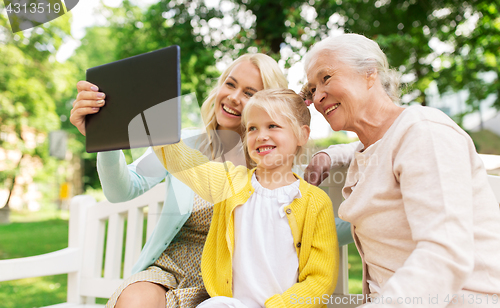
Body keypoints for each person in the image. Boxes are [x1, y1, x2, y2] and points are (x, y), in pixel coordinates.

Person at [70, 53, 352, 308]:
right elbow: (123, 190)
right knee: (136, 301)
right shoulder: (187, 142)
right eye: (230, 84)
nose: (233, 97)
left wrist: (375, 210)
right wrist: (106, 133)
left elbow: (317, 229)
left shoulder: (278, 168)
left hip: (235, 282)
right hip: (174, 269)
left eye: (250, 92)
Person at [303, 33, 500, 307]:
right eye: (312, 89)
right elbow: (380, 146)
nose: (318, 96)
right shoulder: (374, 144)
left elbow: (444, 254)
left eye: (326, 78)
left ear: (369, 73)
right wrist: (330, 153)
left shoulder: (425, 132)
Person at [154, 88, 339, 308]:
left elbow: (321, 279)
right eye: (252, 128)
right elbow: (188, 165)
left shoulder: (315, 202)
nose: (261, 135)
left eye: (272, 126)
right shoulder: (230, 182)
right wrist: (159, 129)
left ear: (302, 134)